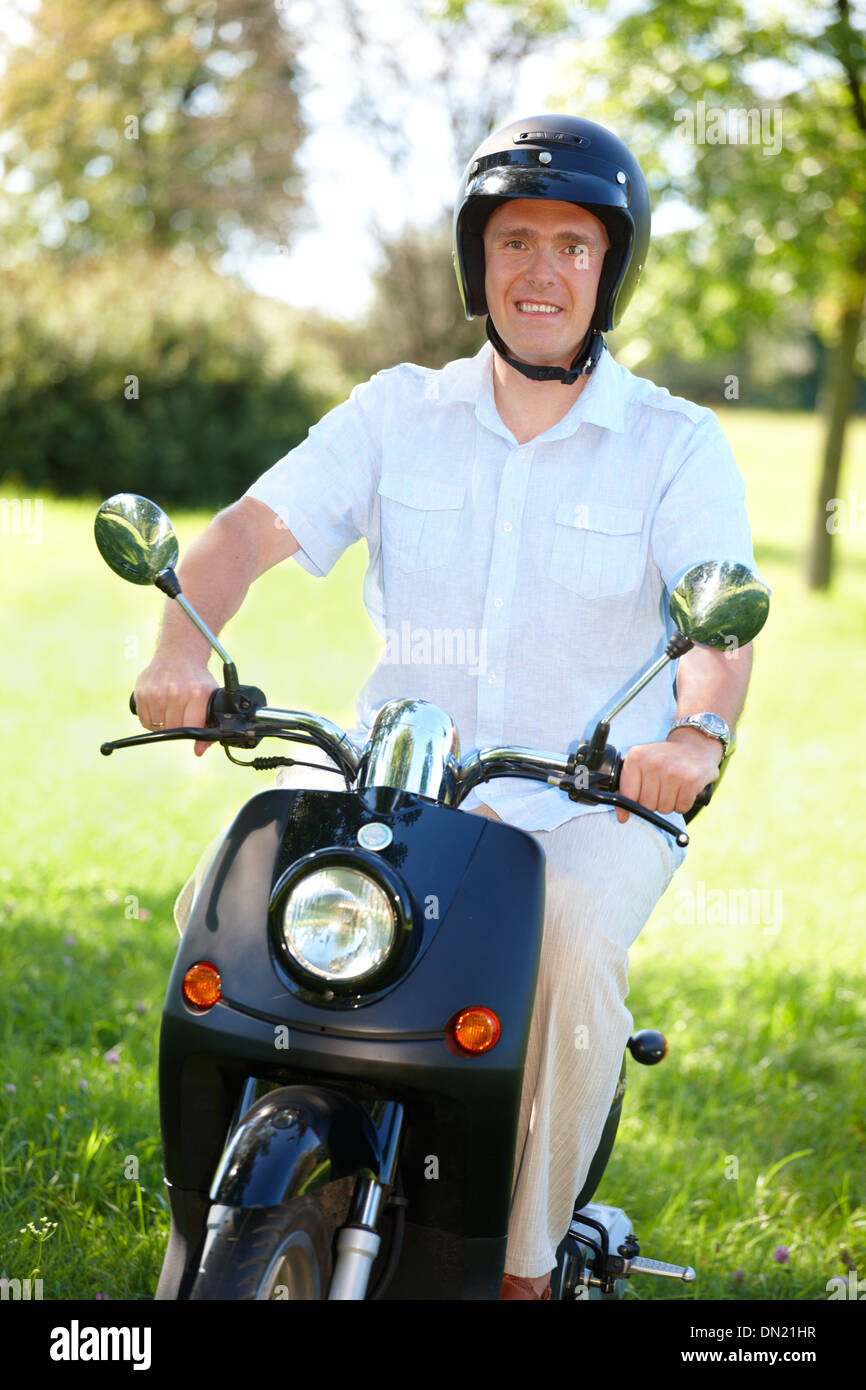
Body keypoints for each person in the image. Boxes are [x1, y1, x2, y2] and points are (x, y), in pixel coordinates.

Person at [135, 114, 759, 1300]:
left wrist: (691, 735)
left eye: (571, 247)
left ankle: (520, 1270)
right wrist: (179, 643)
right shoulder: (395, 411)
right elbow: (247, 534)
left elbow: (713, 624)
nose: (540, 272)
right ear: (480, 262)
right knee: (218, 896)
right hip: (392, 779)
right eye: (515, 241)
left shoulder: (674, 446)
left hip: (585, 802)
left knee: (569, 950)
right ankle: (207, 1223)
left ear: (605, 272)